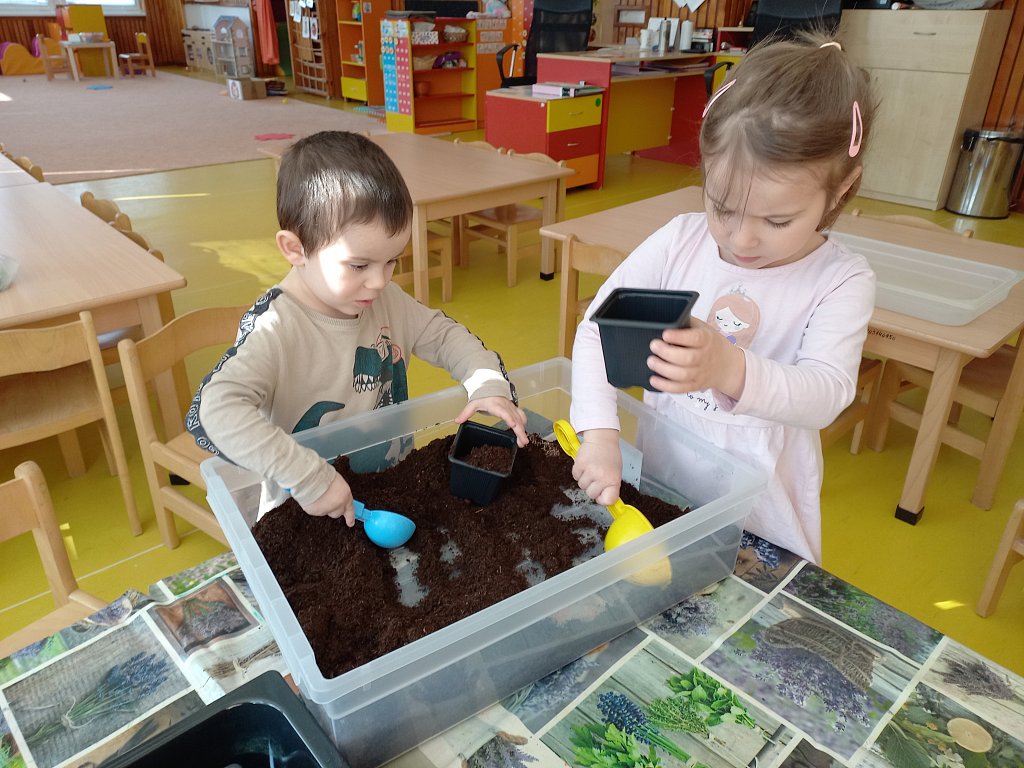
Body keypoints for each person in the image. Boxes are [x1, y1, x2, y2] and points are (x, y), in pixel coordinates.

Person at [567, 34, 878, 564]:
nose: (741, 239)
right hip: (667, 492)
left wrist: (730, 369)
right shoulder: (680, 241)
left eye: (776, 221)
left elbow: (826, 394)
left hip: (762, 519)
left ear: (842, 190)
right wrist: (598, 433)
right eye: (722, 207)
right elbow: (599, 328)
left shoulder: (840, 279)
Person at [188, 130, 528, 527]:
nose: (380, 281)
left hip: (392, 485)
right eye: (359, 265)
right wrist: (309, 478)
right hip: (307, 510)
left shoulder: (384, 299)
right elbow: (218, 409)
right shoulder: (276, 328)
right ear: (296, 249)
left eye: (392, 261)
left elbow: (445, 336)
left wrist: (487, 385)